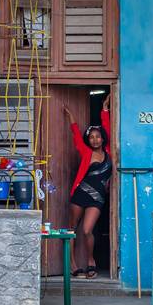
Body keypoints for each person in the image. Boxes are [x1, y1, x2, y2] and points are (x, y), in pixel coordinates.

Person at [63, 95, 112, 279]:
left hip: (97, 198)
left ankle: (91, 261)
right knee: (71, 229)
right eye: (91, 137)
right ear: (88, 140)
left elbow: (106, 126)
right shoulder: (86, 152)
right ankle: (72, 265)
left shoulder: (109, 152)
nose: (95, 139)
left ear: (102, 139)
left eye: (97, 136)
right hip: (80, 194)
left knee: (86, 230)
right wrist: (71, 118)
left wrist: (104, 109)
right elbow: (76, 134)